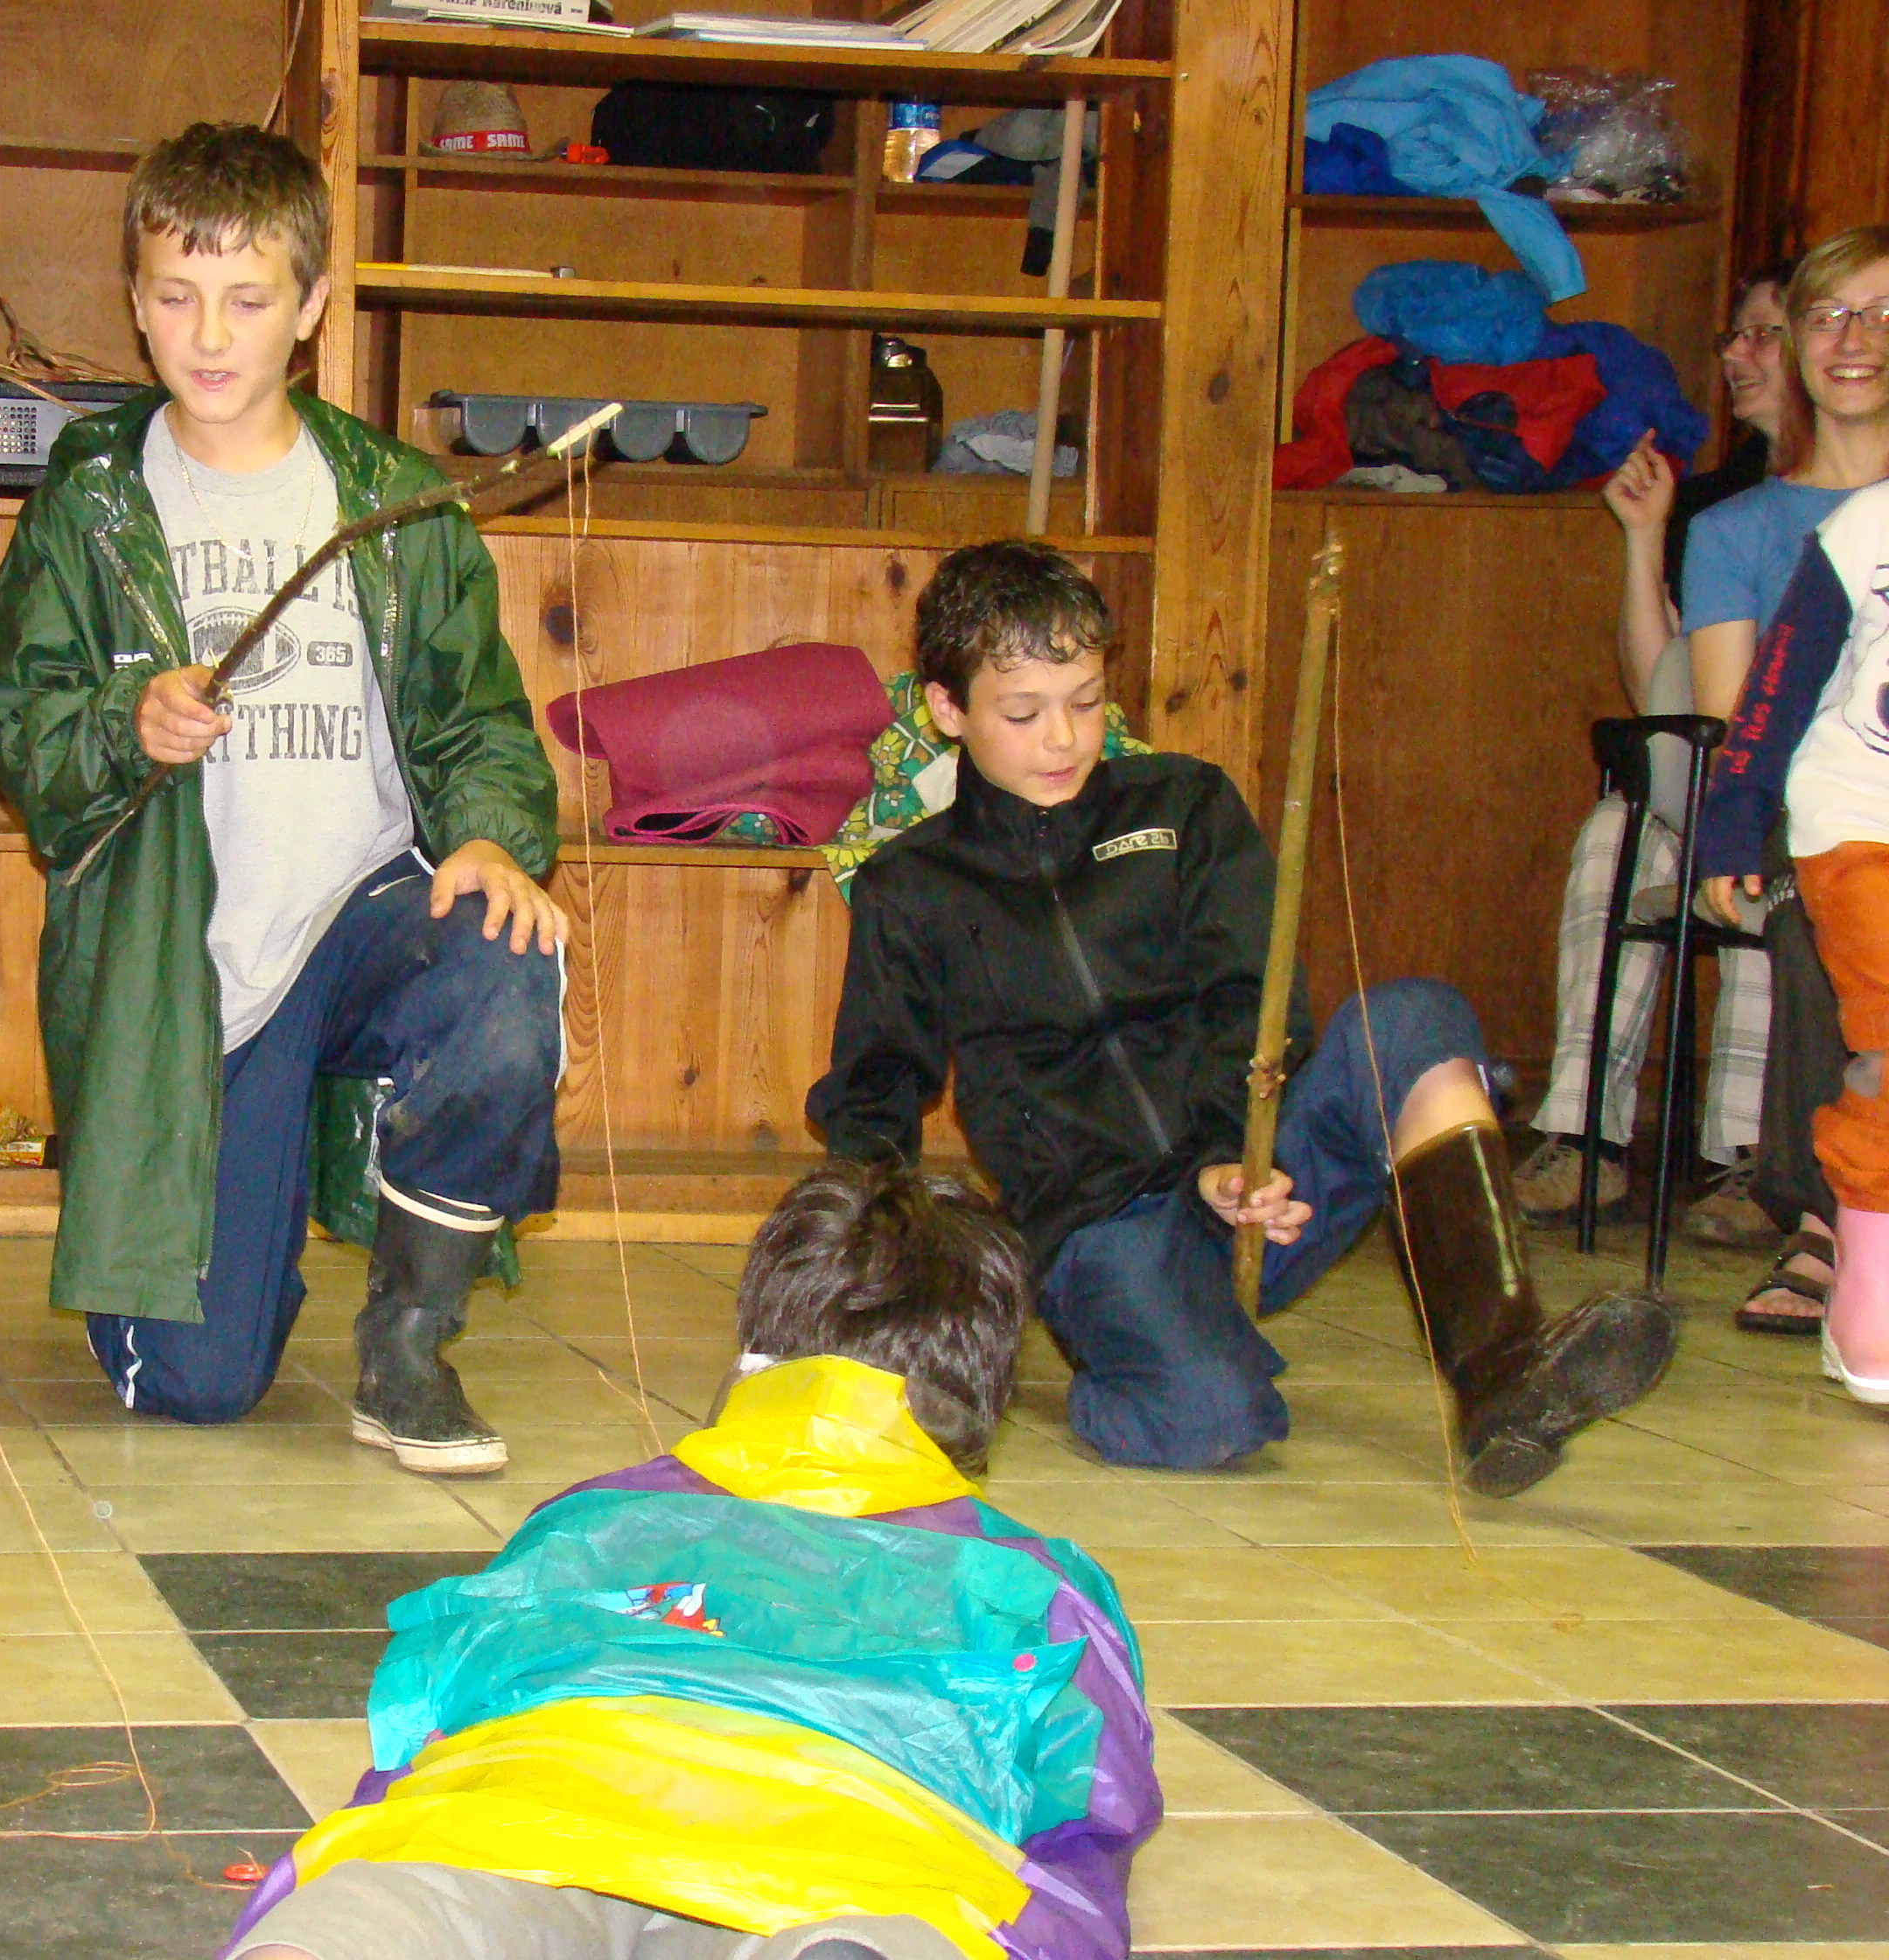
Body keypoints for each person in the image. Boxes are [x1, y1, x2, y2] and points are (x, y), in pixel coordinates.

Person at [89, 1159, 1157, 1960]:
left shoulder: (591, 1515)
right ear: (979, 1400)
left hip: (555, 1775)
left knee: (448, 1905)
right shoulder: (1031, 1579)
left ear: (757, 1350)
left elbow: (439, 1707)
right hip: (845, 1820)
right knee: (861, 1932)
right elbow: (1086, 1822)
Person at [808, 541, 1676, 1492]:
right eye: (1023, 713)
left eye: (1087, 701)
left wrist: (1230, 1155)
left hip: (1261, 1180)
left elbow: (1253, 996)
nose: (1063, 739)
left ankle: (1503, 1370)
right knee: (1214, 1420)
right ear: (947, 708)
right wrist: (863, 1295)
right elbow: (876, 1092)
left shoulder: (1187, 805)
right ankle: (1136, 1359)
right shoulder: (911, 886)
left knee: (1414, 1019)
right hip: (1102, 1231)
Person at [0, 123, 564, 1477]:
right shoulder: (91, 498)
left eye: (247, 299)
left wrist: (489, 837)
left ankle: (410, 1347)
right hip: (183, 963)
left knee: (503, 950)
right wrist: (125, 724)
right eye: (176, 296)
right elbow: (14, 724)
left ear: (309, 308)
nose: (209, 334)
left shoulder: (396, 501)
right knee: (198, 1387)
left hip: (359, 917)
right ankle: (248, 1215)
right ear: (135, 303)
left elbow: (477, 719)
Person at [1514, 264, 1791, 1258]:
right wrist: (1644, 539)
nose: (1736, 355)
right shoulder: (1716, 507)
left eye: (1763, 334)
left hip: (1808, 801)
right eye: (1735, 334)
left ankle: (1753, 1154)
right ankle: (1585, 1135)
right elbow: (1660, 695)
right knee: (1615, 832)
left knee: (1760, 851)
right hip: (1710, 781)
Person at [1695, 227, 1889, 1399]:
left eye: (1884, 313)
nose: (1855, 339)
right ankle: (1831, 1215)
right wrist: (1730, 832)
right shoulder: (1766, 531)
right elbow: (1750, 716)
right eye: (1828, 315)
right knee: (1823, 897)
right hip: (1830, 807)